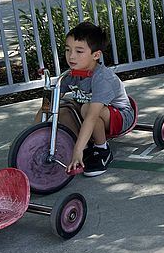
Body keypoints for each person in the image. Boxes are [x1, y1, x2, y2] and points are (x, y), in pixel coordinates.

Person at [35, 21, 135, 177]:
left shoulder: (102, 78)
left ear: (96, 55)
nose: (71, 56)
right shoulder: (70, 74)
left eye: (79, 51)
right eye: (68, 50)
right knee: (62, 110)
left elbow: (92, 116)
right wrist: (32, 138)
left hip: (120, 117)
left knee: (87, 109)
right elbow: (47, 107)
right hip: (88, 113)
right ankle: (85, 147)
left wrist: (76, 151)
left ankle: (102, 150)